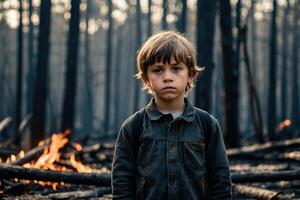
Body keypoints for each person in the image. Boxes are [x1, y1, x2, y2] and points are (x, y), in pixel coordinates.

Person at [111, 31, 232, 199]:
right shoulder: (133, 127)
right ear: (146, 79)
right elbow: (121, 183)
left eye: (176, 69)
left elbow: (221, 181)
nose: (167, 77)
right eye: (158, 70)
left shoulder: (207, 124)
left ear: (190, 75)